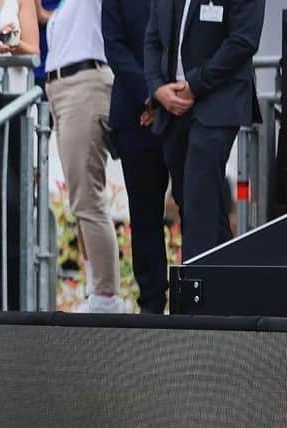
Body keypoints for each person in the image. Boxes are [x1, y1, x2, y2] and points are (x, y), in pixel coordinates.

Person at [144, 0, 264, 260]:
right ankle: (231, 286)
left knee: (200, 198)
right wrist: (157, 88)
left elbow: (244, 40)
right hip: (173, 104)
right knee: (193, 201)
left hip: (219, 99)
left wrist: (195, 84)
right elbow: (152, 38)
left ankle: (194, 293)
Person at [40, 0, 123, 313]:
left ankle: (106, 296)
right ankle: (98, 291)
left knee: (88, 198)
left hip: (84, 85)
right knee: (81, 199)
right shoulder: (64, 9)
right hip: (61, 89)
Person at [102, 0, 170, 314]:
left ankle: (198, 303)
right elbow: (114, 48)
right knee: (144, 215)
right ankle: (152, 305)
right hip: (135, 111)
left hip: (183, 107)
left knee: (195, 205)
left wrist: (167, 95)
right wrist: (151, 94)